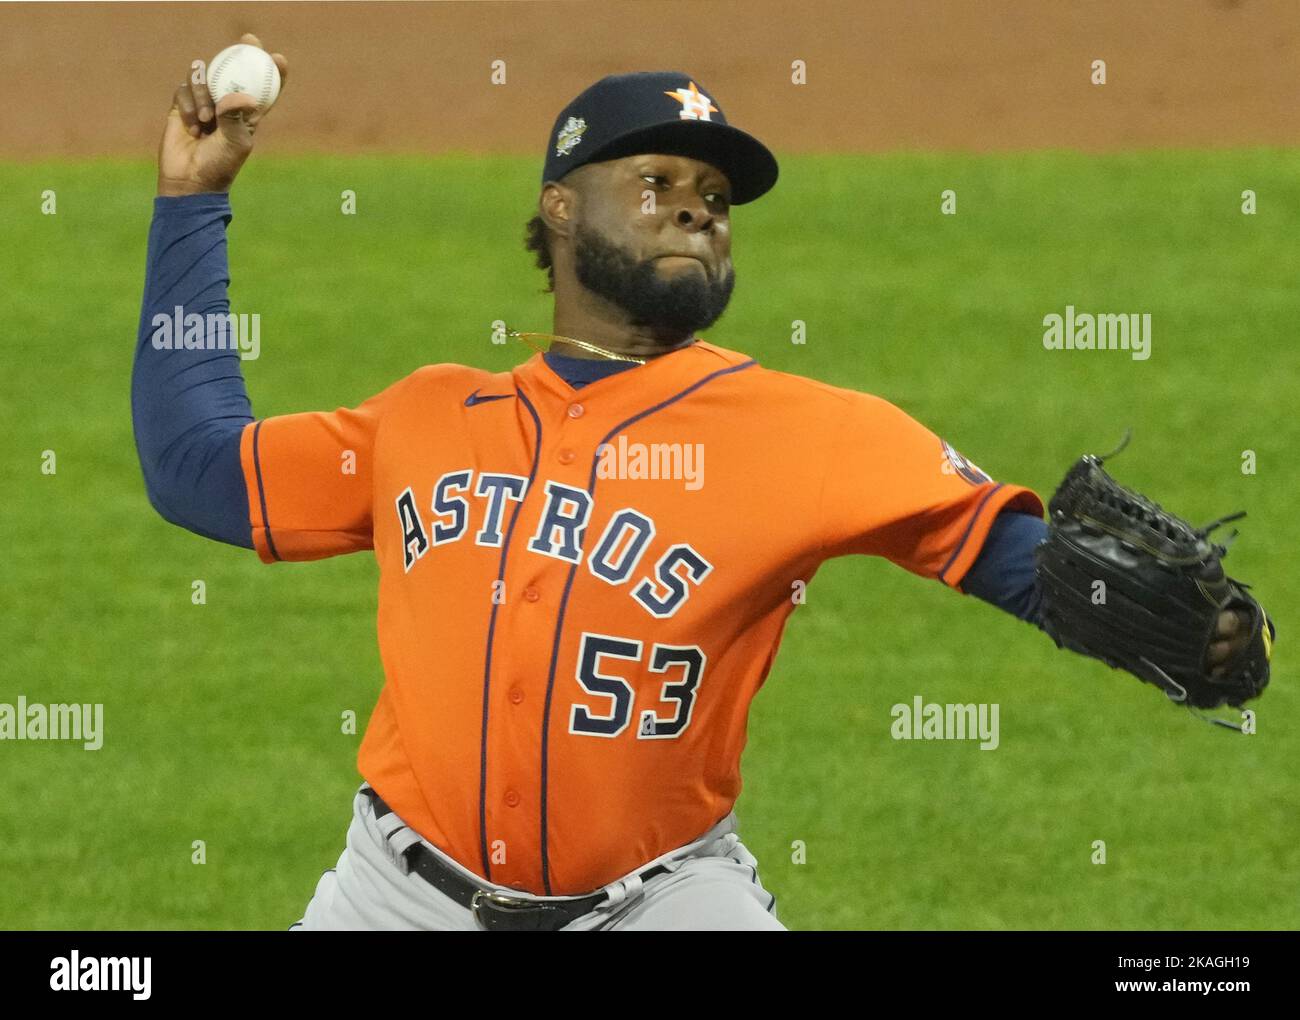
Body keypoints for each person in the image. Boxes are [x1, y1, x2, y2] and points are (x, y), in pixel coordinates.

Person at [133, 36, 1263, 931]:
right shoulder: (428, 416)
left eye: (715, 195)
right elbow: (196, 469)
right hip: (394, 896)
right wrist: (191, 201)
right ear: (561, 206)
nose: (696, 206)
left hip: (663, 902)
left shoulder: (807, 432)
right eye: (658, 178)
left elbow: (1019, 563)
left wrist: (1196, 635)